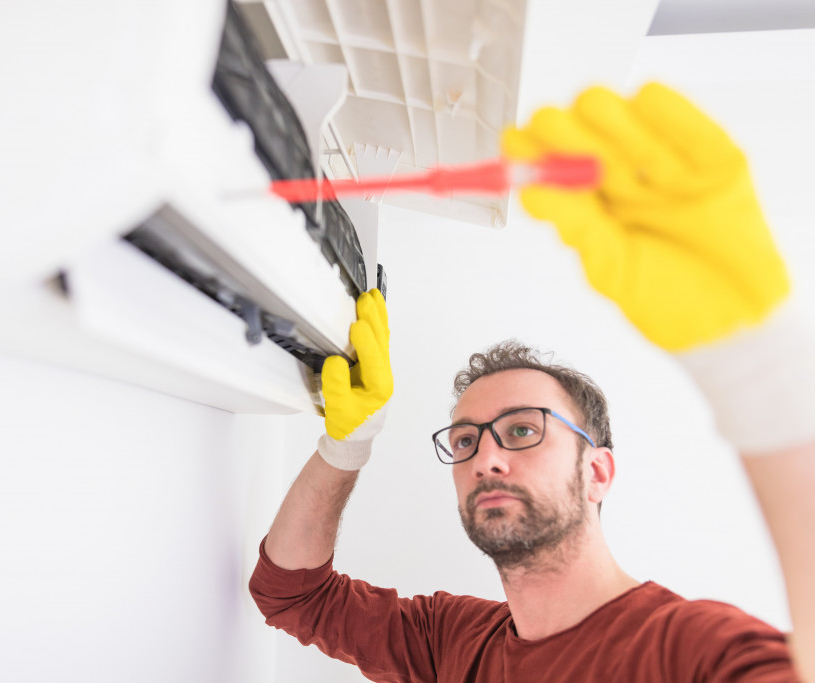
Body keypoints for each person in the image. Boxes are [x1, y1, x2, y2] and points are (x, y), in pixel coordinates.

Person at [249, 83, 815, 682]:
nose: (485, 457)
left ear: (597, 471)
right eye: (465, 440)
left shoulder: (687, 652)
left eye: (521, 429)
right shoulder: (451, 640)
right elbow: (291, 592)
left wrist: (759, 377)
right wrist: (347, 448)